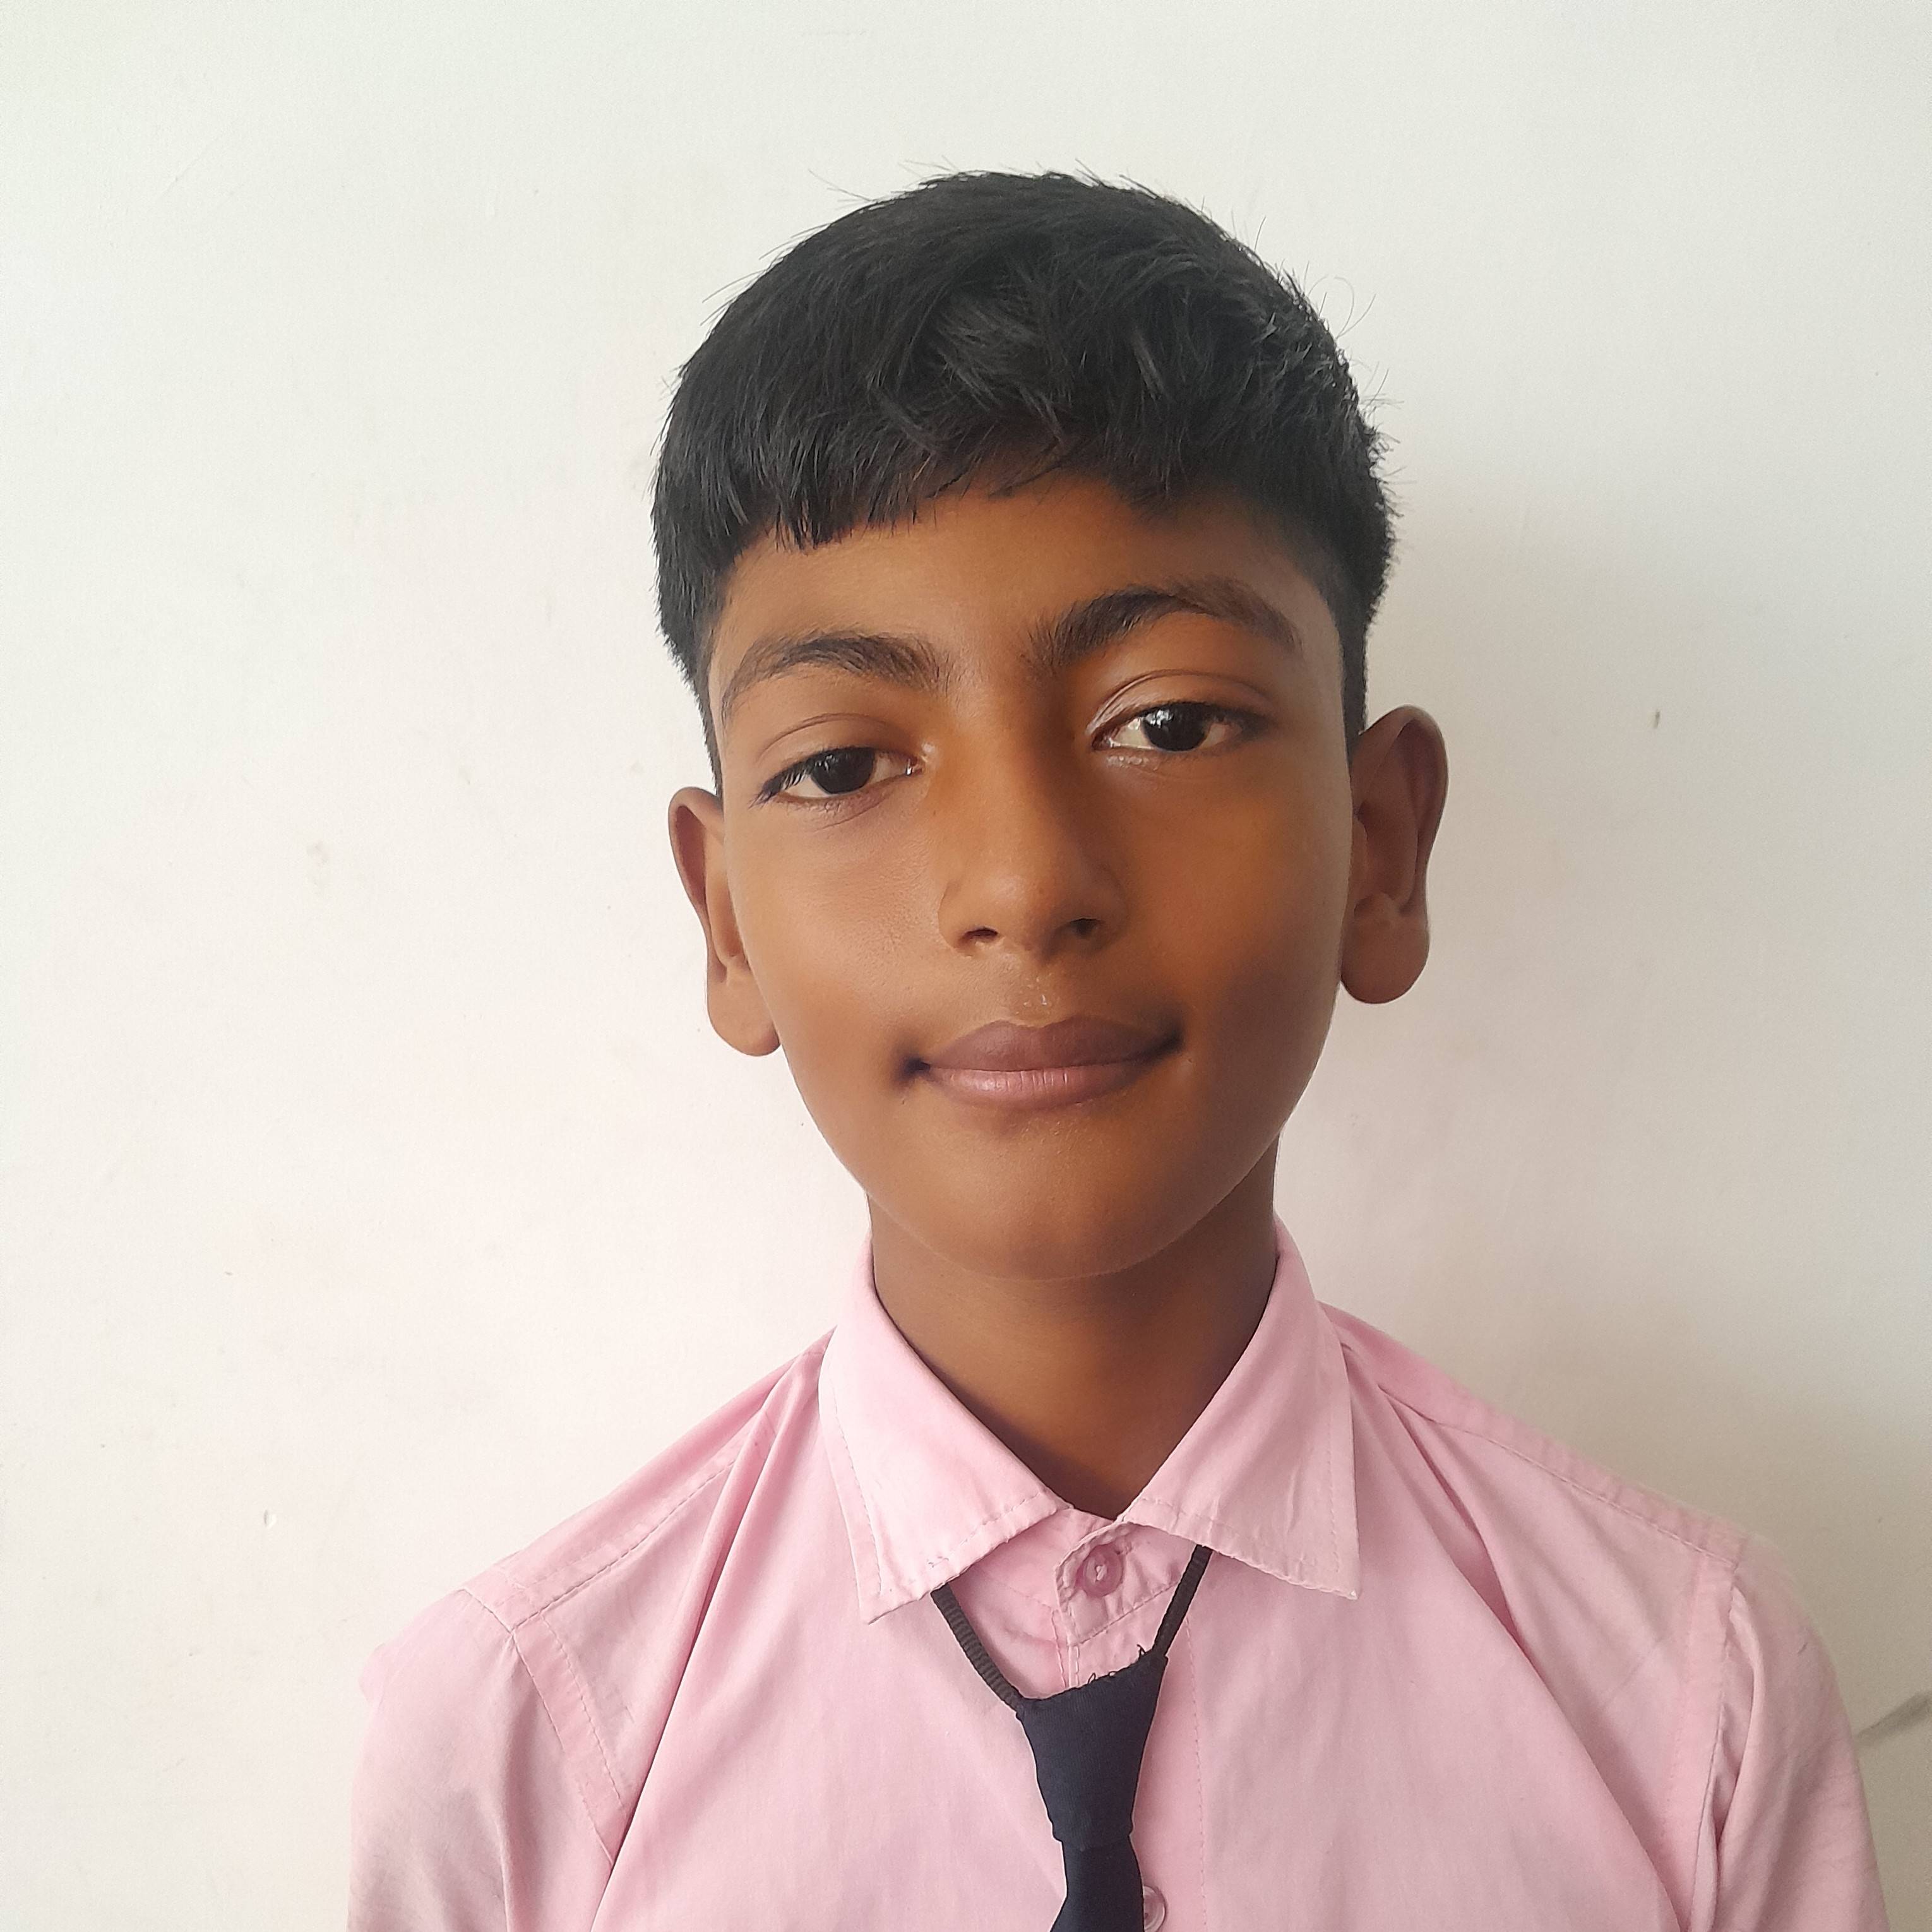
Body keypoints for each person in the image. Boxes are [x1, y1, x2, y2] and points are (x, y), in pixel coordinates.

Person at [348, 170, 1888, 1930]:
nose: (1022, 886)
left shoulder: (1685, 1696)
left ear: (1380, 848)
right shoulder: (523, 1751)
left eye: (1167, 724)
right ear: (725, 921)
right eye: (843, 765)